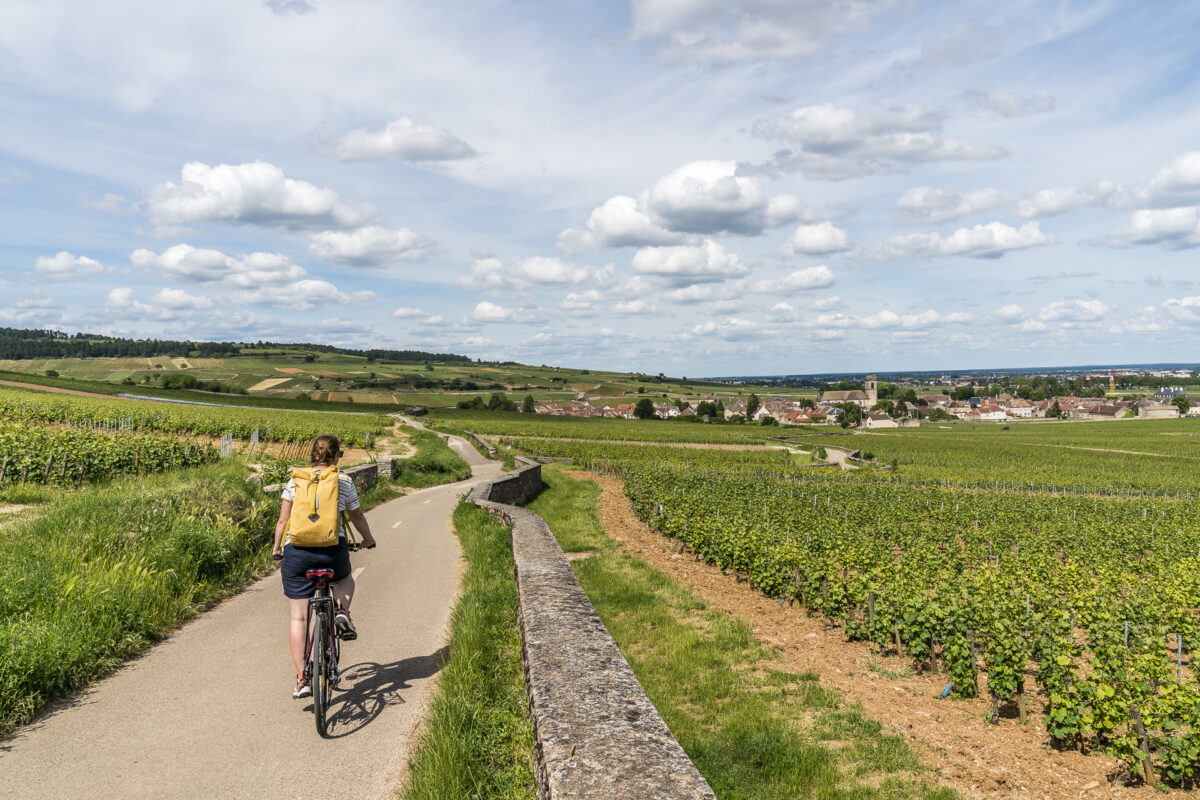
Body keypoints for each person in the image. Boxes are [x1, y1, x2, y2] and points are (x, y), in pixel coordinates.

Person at [272, 434, 377, 699]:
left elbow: (283, 521)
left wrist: (277, 548)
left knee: (298, 616)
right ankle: (342, 612)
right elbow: (357, 517)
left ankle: (302, 679)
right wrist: (368, 540)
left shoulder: (295, 480)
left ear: (312, 455)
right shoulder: (343, 480)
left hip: (297, 553)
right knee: (343, 580)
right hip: (332, 552)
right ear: (336, 456)